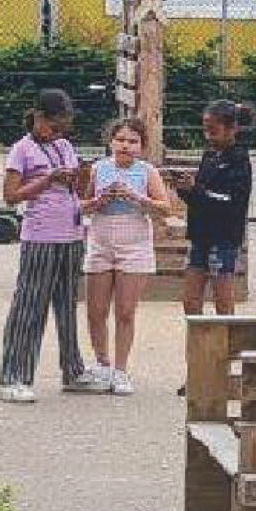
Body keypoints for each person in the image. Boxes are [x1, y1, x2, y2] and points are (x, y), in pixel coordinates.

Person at [0, 88, 111, 403]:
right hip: (40, 236)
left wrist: (82, 174)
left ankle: (72, 370)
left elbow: (80, 189)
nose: (57, 133)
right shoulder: (22, 150)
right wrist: (48, 180)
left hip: (71, 235)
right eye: (53, 126)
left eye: (62, 128)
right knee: (29, 306)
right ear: (38, 117)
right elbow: (11, 195)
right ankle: (13, 375)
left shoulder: (64, 146)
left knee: (67, 306)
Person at [78, 116, 179, 395]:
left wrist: (137, 197)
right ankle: (103, 363)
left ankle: (121, 370)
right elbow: (81, 205)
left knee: (125, 310)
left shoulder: (147, 172)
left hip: (134, 241)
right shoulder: (97, 169)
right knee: (95, 310)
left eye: (133, 141)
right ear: (111, 142)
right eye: (120, 140)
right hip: (101, 238)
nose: (125, 146)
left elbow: (165, 208)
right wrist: (99, 201)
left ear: (142, 146)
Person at [174, 100, 255, 318]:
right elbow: (202, 193)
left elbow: (232, 202)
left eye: (214, 130)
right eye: (206, 130)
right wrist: (185, 190)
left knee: (223, 298)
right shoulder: (209, 155)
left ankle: (226, 344)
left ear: (233, 128)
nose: (208, 136)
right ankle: (197, 347)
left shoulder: (239, 160)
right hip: (200, 233)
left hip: (224, 236)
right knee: (190, 299)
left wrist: (197, 191)